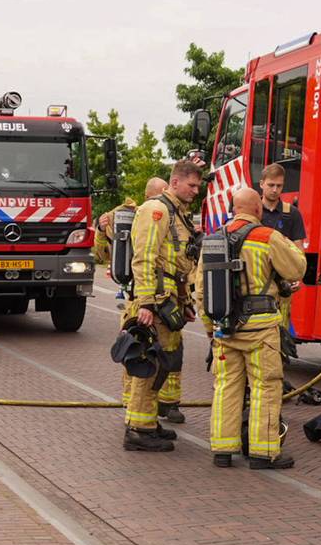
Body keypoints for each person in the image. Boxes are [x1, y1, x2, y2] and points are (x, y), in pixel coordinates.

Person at [206, 188, 307, 469]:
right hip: (260, 328)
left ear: (233, 208)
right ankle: (263, 453)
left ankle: (222, 451)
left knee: (226, 387)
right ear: (258, 210)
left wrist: (210, 327)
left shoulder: (214, 238)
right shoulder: (266, 236)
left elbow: (200, 288)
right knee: (266, 387)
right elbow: (297, 267)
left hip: (224, 327)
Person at [121, 161, 202, 451]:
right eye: (191, 185)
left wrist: (187, 301)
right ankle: (138, 430)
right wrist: (146, 304)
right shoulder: (156, 210)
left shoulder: (178, 213)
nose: (195, 191)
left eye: (198, 186)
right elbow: (144, 259)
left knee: (164, 363)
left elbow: (179, 263)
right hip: (155, 301)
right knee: (149, 361)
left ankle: (149, 421)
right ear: (175, 182)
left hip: (170, 299)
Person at [258, 163, 306, 245]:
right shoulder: (253, 210)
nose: (275, 190)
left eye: (279, 186)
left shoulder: (292, 213)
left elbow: (299, 249)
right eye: (271, 185)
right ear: (261, 184)